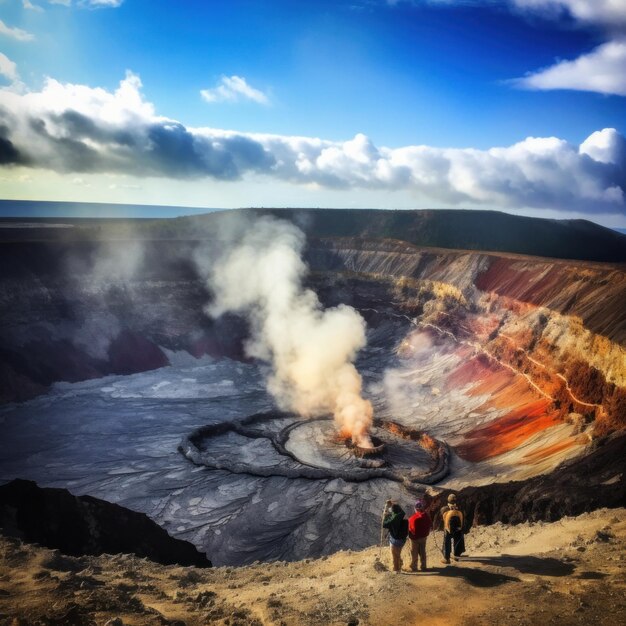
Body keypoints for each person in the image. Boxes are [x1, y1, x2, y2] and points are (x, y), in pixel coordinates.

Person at [382, 500, 409, 573]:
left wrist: (385, 515)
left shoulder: (393, 519)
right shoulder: (402, 514)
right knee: (398, 553)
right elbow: (398, 512)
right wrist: (392, 506)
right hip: (403, 539)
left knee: (394, 555)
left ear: (393, 511)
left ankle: (396, 569)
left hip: (395, 539)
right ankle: (400, 564)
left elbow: (385, 524)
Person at [408, 499, 431, 572]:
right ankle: (423, 566)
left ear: (416, 508)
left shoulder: (413, 518)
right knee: (422, 552)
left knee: (414, 552)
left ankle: (414, 566)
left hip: (414, 539)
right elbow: (430, 524)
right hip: (423, 538)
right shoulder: (426, 516)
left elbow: (410, 529)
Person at [441, 494, 465, 564]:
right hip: (458, 528)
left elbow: (443, 518)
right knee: (458, 540)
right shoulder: (459, 508)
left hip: (448, 528)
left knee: (447, 542)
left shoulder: (444, 509)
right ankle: (456, 555)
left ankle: (446, 558)